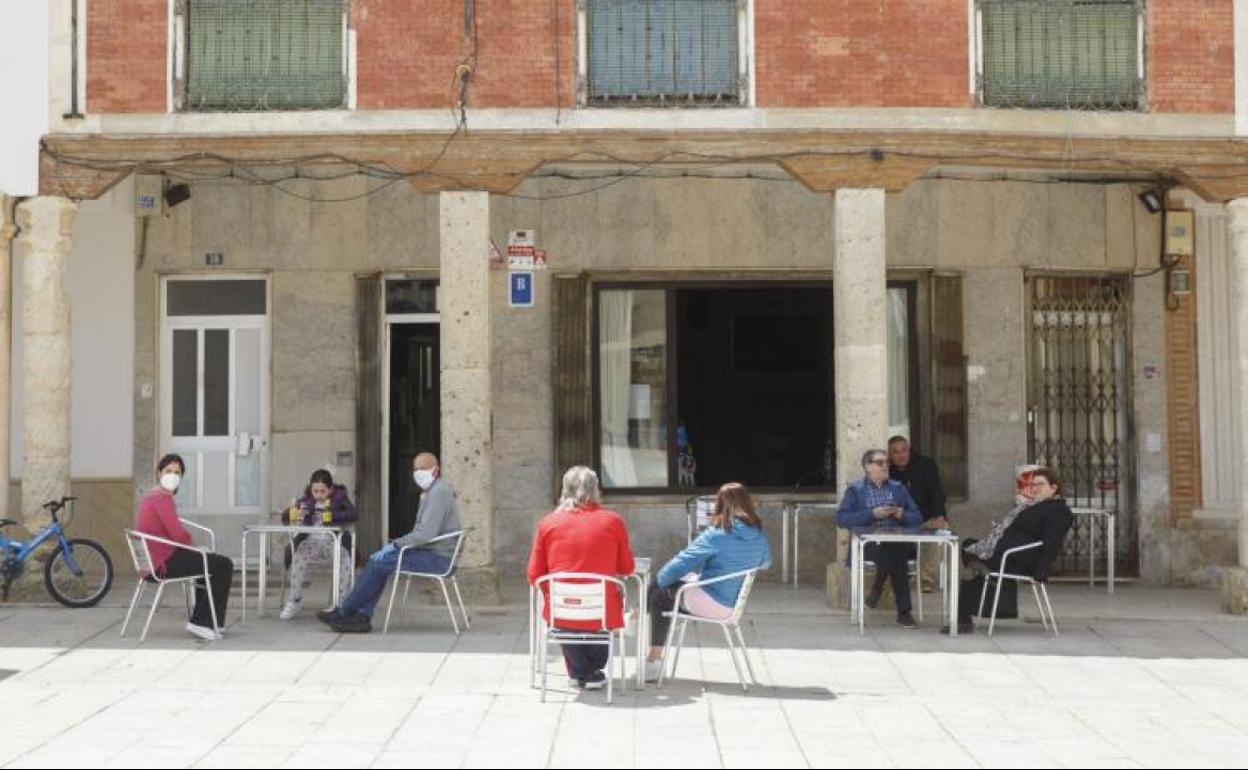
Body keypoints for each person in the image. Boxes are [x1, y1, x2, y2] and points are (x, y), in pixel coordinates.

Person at [317, 453, 460, 633]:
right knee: (378, 563)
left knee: (379, 563)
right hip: (431, 552)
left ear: (436, 470)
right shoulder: (433, 491)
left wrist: (395, 545)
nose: (418, 473)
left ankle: (347, 612)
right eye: (416, 469)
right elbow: (423, 533)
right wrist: (397, 546)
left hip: (438, 559)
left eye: (423, 469)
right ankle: (360, 616)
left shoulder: (439, 492)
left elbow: (425, 534)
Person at [643, 482, 771, 682]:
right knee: (668, 584)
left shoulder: (717, 534)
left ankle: (653, 660)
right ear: (748, 503)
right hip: (733, 605)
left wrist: (658, 581)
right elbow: (766, 563)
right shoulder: (758, 534)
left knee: (660, 593)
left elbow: (679, 565)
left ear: (719, 505)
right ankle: (639, 614)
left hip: (711, 603)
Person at [527, 466, 635, 691]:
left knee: (567, 614)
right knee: (599, 609)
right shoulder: (613, 521)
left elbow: (534, 575)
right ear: (596, 490)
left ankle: (581, 672)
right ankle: (588, 672)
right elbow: (627, 567)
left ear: (565, 490)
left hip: (562, 611)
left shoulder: (548, 523)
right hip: (601, 612)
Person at [947, 466, 1074, 634]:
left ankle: (965, 618)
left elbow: (1053, 542)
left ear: (1053, 488)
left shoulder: (1058, 510)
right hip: (1006, 554)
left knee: (972, 564)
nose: (1035, 488)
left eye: (1040, 484)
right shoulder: (1032, 505)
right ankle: (984, 579)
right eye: (1033, 484)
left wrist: (1042, 571)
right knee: (968, 545)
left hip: (1019, 560)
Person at [133, 453, 234, 641]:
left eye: (177, 473)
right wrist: (197, 548)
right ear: (159, 473)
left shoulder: (151, 496)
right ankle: (201, 622)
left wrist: (196, 550)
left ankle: (211, 622)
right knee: (223, 564)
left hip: (153, 563)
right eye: (168, 471)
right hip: (162, 564)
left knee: (208, 562)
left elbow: (172, 532)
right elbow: (179, 535)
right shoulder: (161, 498)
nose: (172, 476)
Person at [836, 448, 923, 628]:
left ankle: (878, 587)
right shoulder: (856, 490)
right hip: (867, 546)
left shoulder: (898, 489)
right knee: (896, 553)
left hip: (896, 542)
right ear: (868, 467)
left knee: (895, 546)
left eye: (887, 463)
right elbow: (842, 520)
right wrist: (872, 514)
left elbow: (917, 519)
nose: (885, 466)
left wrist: (901, 514)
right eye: (880, 463)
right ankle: (904, 612)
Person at [280, 468, 358, 620]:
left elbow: (353, 514)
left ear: (331, 489)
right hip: (311, 543)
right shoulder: (306, 501)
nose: (318, 495)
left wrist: (332, 515)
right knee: (299, 556)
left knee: (344, 559)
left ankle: (341, 603)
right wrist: (294, 514)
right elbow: (286, 518)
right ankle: (294, 600)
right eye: (315, 491)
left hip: (333, 542)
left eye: (322, 491)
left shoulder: (340, 499)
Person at [888, 436, 948, 592]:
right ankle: (892, 578)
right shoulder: (887, 471)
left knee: (939, 533)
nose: (901, 455)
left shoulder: (925, 465)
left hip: (926, 517)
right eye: (895, 452)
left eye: (904, 450)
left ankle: (925, 580)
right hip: (899, 521)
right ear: (889, 455)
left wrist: (939, 515)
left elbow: (937, 492)